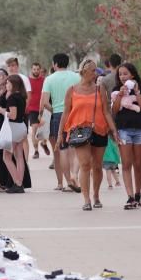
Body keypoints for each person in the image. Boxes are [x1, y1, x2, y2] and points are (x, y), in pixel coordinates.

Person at [59, 58, 119, 210]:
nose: (96, 73)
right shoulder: (72, 90)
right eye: (93, 70)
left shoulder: (100, 90)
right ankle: (86, 199)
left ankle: (96, 195)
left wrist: (113, 130)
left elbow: (106, 111)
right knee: (85, 164)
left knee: (97, 166)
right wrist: (61, 133)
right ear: (84, 71)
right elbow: (65, 114)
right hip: (79, 132)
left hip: (99, 129)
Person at [112, 62, 141, 209]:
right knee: (126, 164)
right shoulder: (116, 89)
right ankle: (130, 197)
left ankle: (138, 193)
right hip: (123, 130)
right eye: (120, 74)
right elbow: (114, 110)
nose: (122, 76)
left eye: (125, 73)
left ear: (132, 75)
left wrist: (137, 91)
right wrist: (120, 95)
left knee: (138, 164)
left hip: (140, 129)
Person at [41, 53, 81, 193]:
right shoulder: (76, 77)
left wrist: (55, 110)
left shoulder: (49, 79)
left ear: (55, 64)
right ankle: (75, 176)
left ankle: (68, 181)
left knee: (62, 150)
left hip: (58, 115)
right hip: (75, 114)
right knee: (76, 149)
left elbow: (45, 102)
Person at [0, 74, 31, 193]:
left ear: (13, 84)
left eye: (7, 83)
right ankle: (20, 183)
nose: (6, 85)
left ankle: (17, 183)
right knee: (19, 156)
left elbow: (13, 115)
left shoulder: (12, 98)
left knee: (6, 157)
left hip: (13, 128)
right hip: (21, 127)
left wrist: (1, 110)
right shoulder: (22, 96)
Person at [26, 62, 48, 159]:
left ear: (40, 70)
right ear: (31, 70)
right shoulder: (28, 81)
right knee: (34, 129)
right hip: (32, 109)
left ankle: (44, 143)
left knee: (43, 130)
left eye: (37, 69)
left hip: (43, 108)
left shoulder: (44, 80)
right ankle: (36, 151)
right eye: (34, 69)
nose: (36, 71)